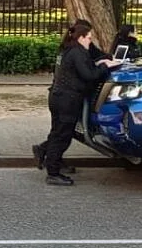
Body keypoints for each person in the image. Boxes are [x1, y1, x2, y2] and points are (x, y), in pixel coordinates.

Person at [37, 21, 117, 186]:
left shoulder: (68, 50)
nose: (90, 41)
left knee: (57, 132)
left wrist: (97, 64)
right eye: (88, 38)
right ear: (81, 38)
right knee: (62, 136)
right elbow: (89, 75)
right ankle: (53, 172)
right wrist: (105, 66)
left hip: (58, 97)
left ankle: (51, 161)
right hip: (68, 99)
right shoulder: (78, 52)